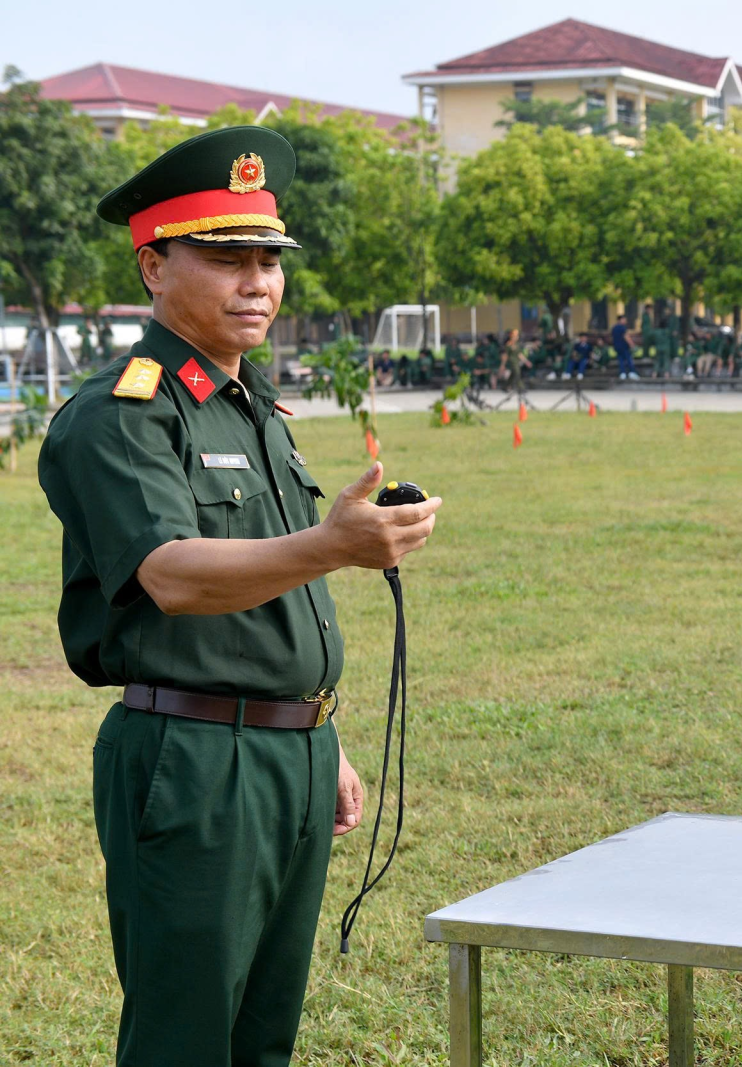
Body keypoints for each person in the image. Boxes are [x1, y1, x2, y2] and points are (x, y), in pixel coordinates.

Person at [36, 125, 443, 1067]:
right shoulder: (123, 412)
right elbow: (171, 574)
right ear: (154, 267)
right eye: (226, 258)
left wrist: (315, 732)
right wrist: (332, 544)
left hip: (285, 751)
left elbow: (269, 587)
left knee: (264, 1037)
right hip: (193, 762)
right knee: (184, 1039)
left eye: (269, 259)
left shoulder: (250, 405)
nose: (257, 281)